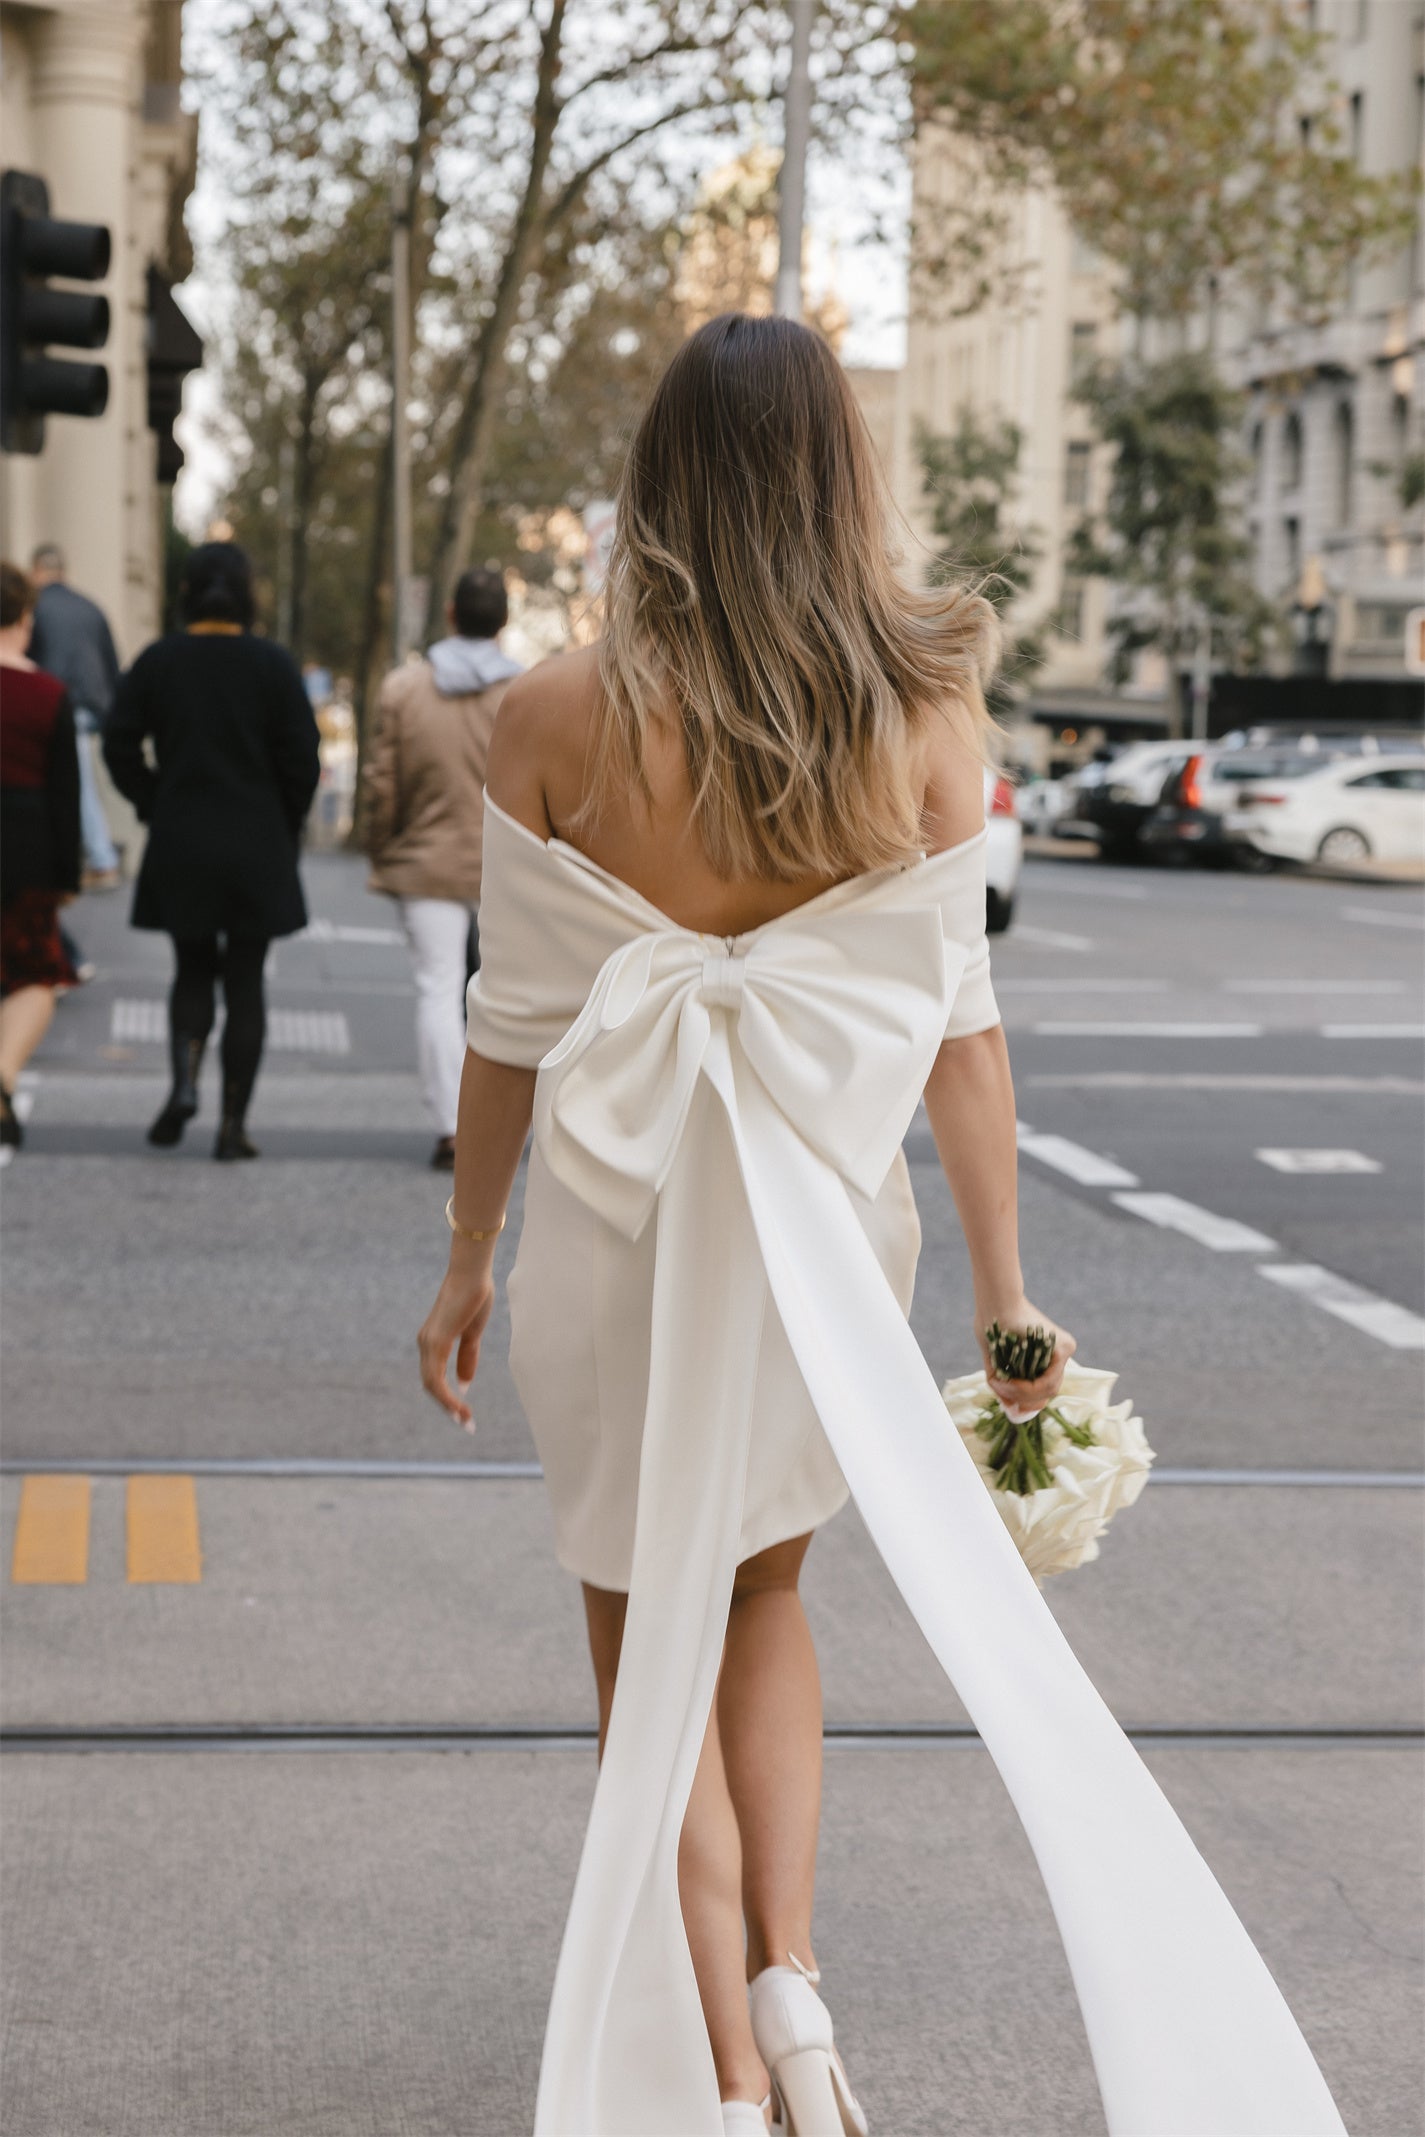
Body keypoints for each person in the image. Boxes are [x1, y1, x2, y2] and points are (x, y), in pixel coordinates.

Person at [415, 315, 1345, 2137]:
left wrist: (465, 1259)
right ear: (841, 477)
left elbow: (510, 1033)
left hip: (614, 1237)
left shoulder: (548, 716)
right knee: (767, 1592)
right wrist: (1008, 1312)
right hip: (816, 1254)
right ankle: (797, 1983)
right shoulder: (924, 711)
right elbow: (963, 1046)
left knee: (640, 1635)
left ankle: (724, 2069)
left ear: (656, 480)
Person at [103, 542, 320, 1161]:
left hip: (182, 840)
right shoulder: (274, 666)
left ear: (185, 593)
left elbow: (120, 745)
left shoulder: (159, 662)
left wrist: (154, 801)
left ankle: (183, 1084)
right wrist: (284, 821)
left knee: (191, 968)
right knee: (246, 980)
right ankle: (232, 1125)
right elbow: (301, 761)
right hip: (257, 843)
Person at [361, 567, 521, 1169]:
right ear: (503, 621)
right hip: (510, 865)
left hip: (426, 863)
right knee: (513, 994)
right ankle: (516, 1120)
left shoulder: (405, 689)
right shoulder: (527, 692)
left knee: (437, 988)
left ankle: (456, 1128)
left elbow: (383, 783)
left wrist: (385, 848)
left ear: (451, 614)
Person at [0, 563, 81, 1149]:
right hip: (27, 851)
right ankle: (2, 1073)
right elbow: (65, 794)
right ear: (24, 620)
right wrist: (67, 873)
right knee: (35, 975)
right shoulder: (49, 696)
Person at [28, 541, 122, 889]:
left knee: (76, 784)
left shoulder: (35, 607)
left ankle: (101, 859)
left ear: (37, 571)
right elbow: (112, 663)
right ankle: (93, 858)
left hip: (55, 704)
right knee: (74, 781)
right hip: (92, 706)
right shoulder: (90, 608)